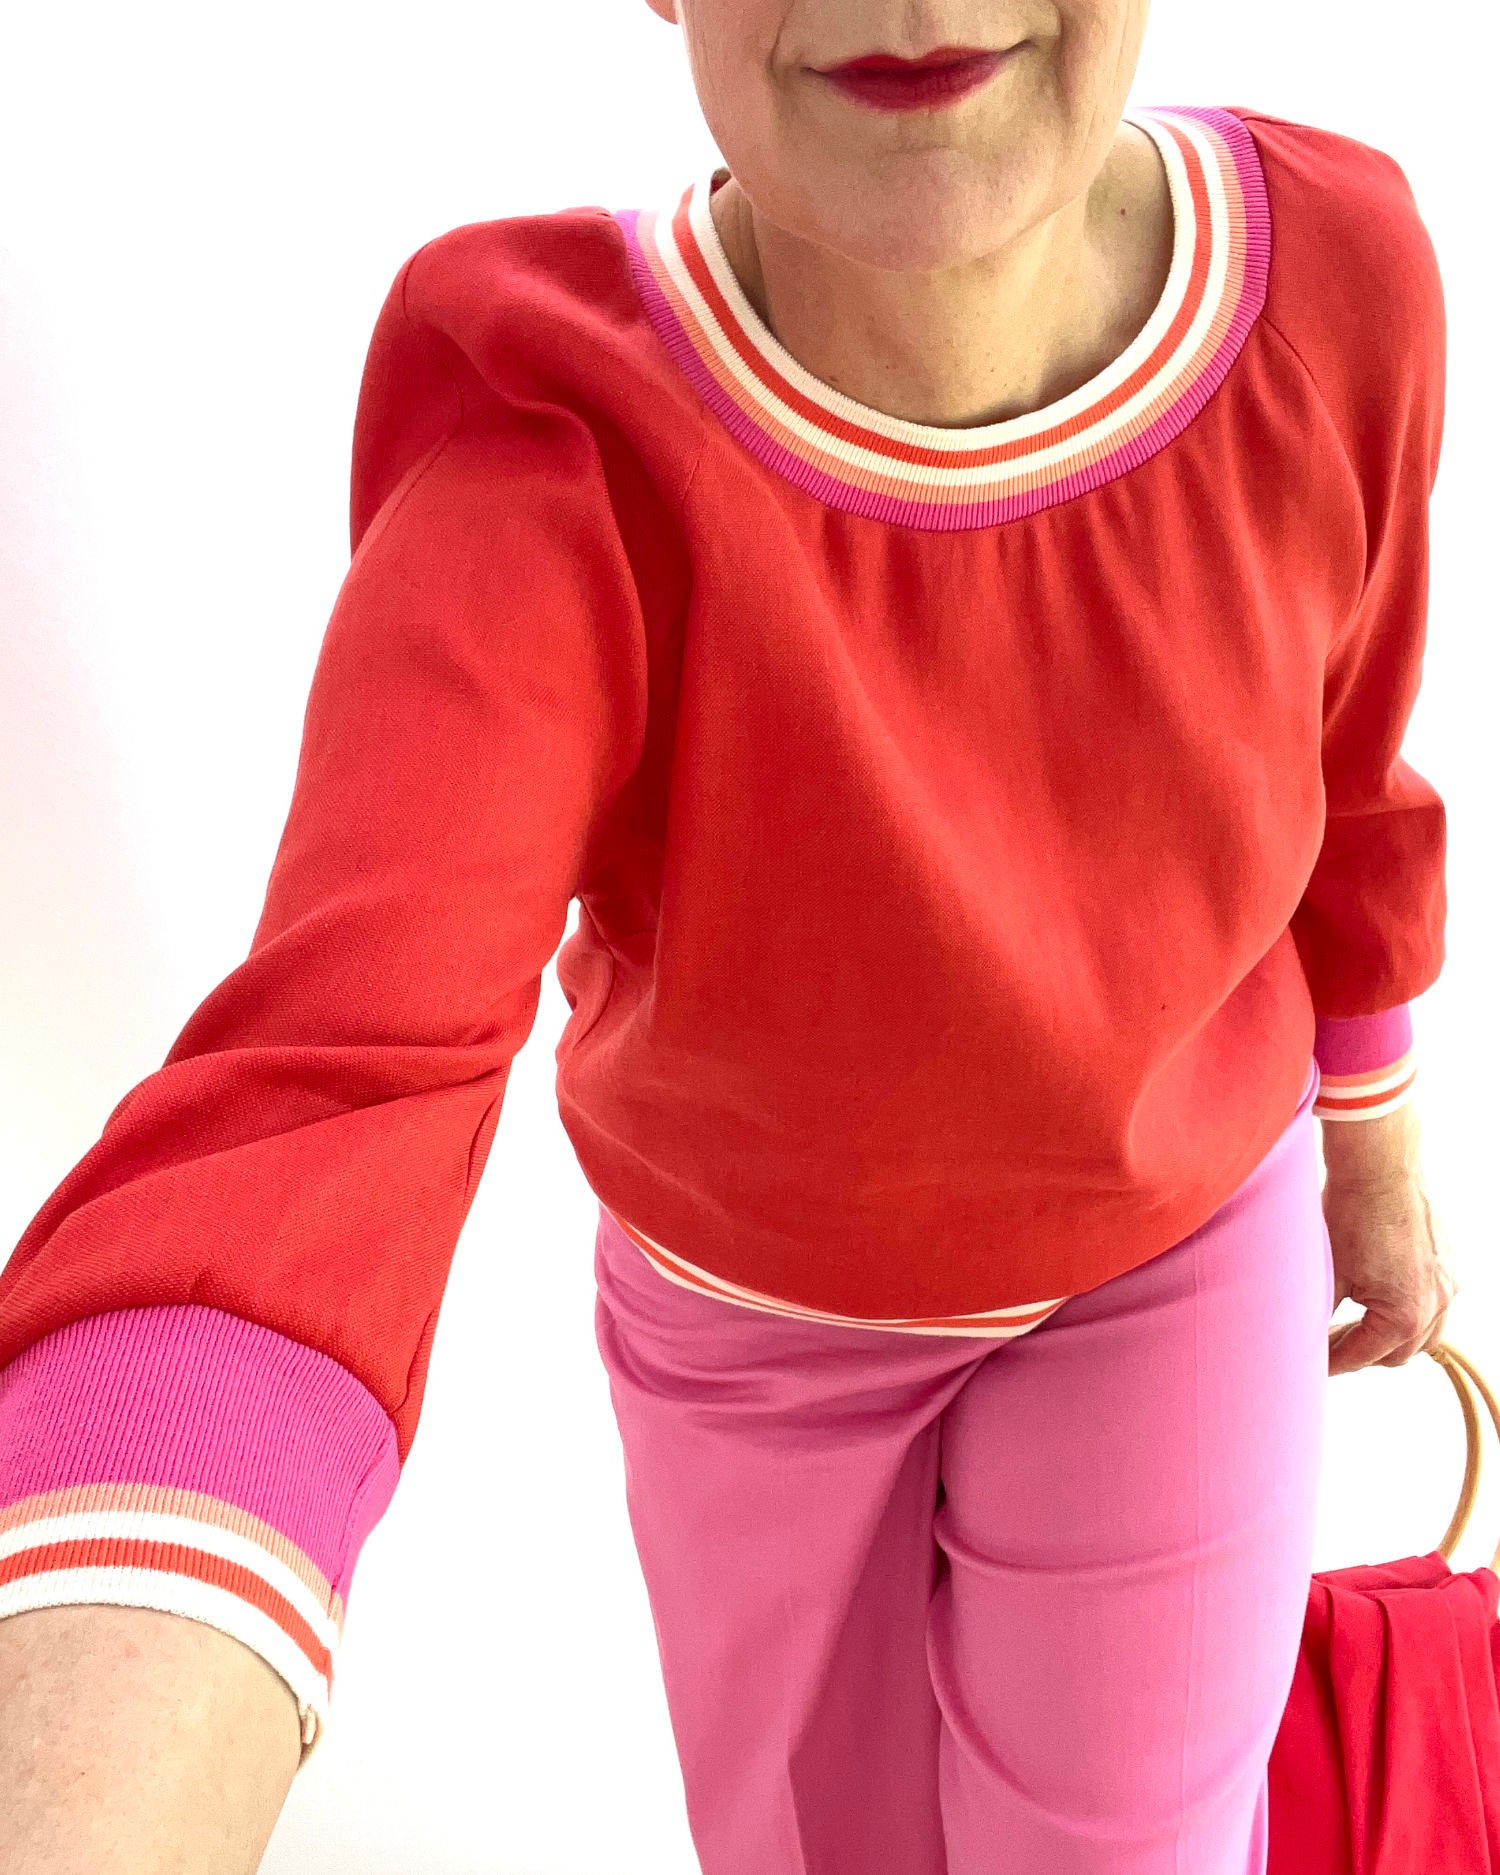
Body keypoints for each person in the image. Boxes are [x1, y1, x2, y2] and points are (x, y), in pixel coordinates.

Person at [0, 0, 1460, 1869]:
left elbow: (1350, 754)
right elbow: (336, 1078)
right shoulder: (552, 413)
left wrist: (1373, 1139)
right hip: (752, 1328)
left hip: (1174, 1258)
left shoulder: (1332, 274)